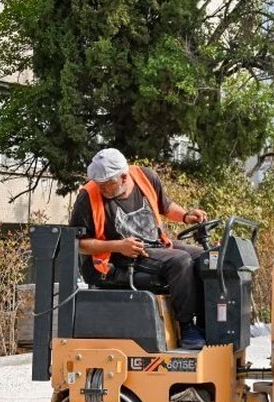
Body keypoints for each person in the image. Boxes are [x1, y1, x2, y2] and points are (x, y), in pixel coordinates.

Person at [69, 148, 209, 350]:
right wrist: (118, 246)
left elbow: (166, 206)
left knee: (206, 258)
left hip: (153, 244)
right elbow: (79, 243)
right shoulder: (87, 197)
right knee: (180, 261)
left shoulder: (145, 177)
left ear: (124, 177)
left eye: (106, 184)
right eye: (98, 184)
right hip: (113, 261)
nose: (101, 189)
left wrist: (186, 216)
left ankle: (206, 323)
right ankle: (186, 327)